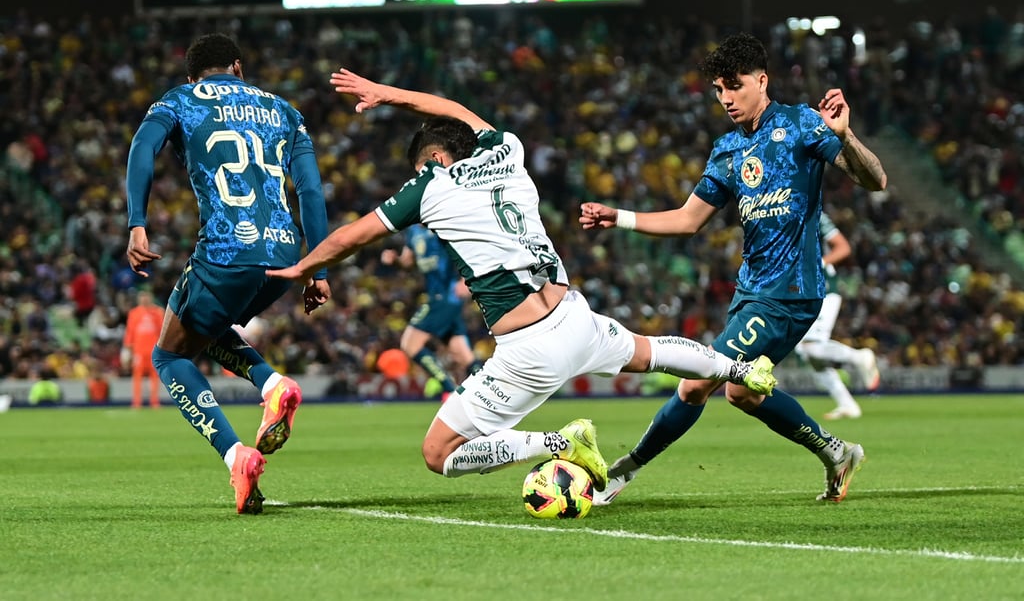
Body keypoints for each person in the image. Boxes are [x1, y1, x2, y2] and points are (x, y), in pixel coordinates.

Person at [266, 68, 778, 493]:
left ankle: (559, 444)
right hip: (576, 316)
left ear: (435, 160)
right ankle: (741, 369)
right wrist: (386, 95)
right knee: (651, 351)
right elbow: (455, 111)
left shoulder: (430, 186)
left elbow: (352, 236)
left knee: (437, 452)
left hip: (529, 348)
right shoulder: (508, 150)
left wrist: (302, 268)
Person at [579, 31, 888, 504]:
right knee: (742, 394)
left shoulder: (802, 124)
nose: (726, 98)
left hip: (790, 293)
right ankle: (837, 451)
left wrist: (845, 136)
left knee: (696, 381)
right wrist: (617, 216)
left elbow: (875, 179)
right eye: (719, 89)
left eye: (735, 86)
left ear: (762, 81)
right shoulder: (727, 150)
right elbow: (687, 220)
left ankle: (624, 471)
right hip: (751, 292)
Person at [124, 33, 331, 515]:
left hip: (225, 251)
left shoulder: (181, 98)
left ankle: (239, 451)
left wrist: (137, 221)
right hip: (284, 259)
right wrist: (316, 266)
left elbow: (142, 148)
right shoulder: (285, 110)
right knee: (207, 330)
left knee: (169, 356)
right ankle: (270, 385)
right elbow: (311, 191)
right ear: (238, 66)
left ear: (193, 75)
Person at [793, 212, 881, 420]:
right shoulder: (774, 210)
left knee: (811, 347)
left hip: (822, 290)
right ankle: (847, 404)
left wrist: (819, 264)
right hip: (800, 293)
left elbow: (843, 247)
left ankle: (859, 357)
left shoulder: (811, 212)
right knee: (808, 353)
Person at [380, 224, 484, 399]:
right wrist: (395, 260)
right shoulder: (413, 231)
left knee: (410, 344)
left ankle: (449, 389)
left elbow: (470, 248)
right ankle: (489, 394)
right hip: (436, 297)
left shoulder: (441, 224)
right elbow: (408, 261)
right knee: (462, 354)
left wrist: (467, 279)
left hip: (444, 296)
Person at [121, 288, 164, 408]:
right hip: (138, 351)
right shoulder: (134, 313)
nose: (144, 299)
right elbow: (130, 332)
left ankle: (154, 401)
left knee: (154, 376)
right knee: (137, 376)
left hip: (153, 351)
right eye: (142, 296)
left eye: (147, 296)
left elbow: (162, 331)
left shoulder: (158, 312)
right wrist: (127, 350)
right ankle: (136, 401)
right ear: (139, 299)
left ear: (151, 297)